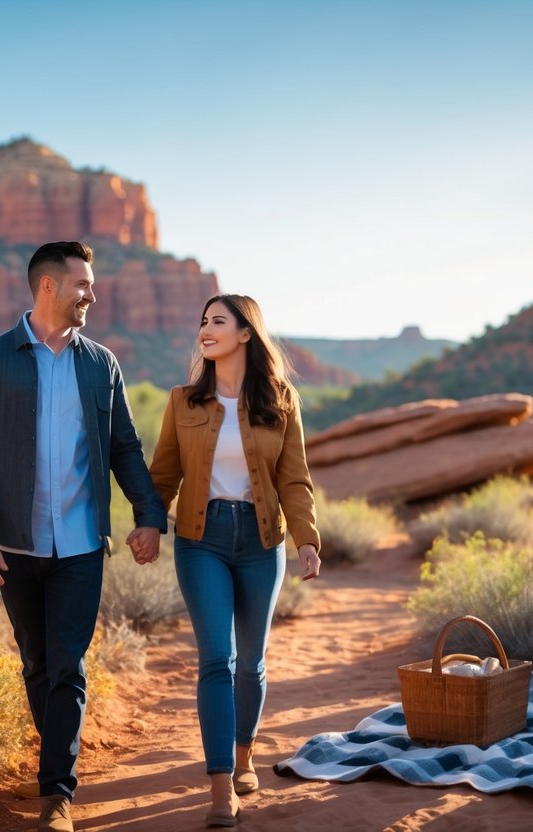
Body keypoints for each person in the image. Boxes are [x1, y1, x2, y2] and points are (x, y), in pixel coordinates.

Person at [0, 241, 166, 832]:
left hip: (79, 544)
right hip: (13, 545)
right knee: (37, 664)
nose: (91, 294)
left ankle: (57, 796)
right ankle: (56, 763)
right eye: (83, 285)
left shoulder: (101, 364)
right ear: (48, 286)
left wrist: (148, 515)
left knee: (67, 666)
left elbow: (125, 447)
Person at [149, 294, 322, 828]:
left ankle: (245, 753)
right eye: (202, 321)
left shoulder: (280, 400)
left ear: (246, 333)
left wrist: (306, 539)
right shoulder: (183, 400)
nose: (205, 329)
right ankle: (221, 784)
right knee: (216, 659)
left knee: (252, 662)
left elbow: (294, 478)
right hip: (200, 538)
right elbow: (163, 475)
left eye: (217, 321)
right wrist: (149, 525)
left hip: (260, 539)